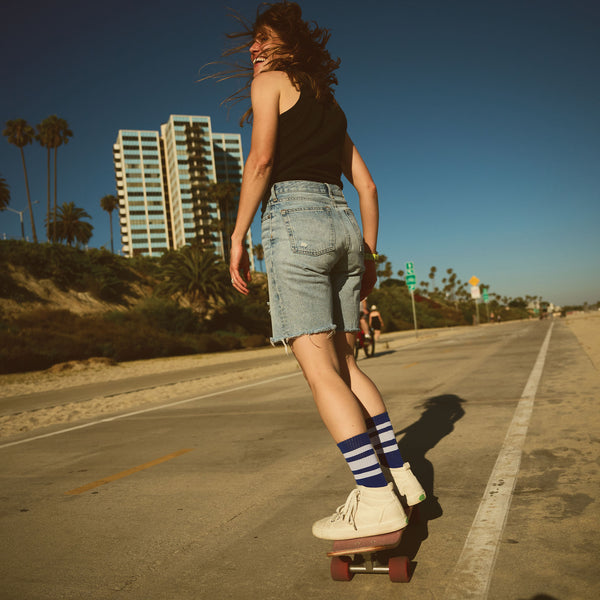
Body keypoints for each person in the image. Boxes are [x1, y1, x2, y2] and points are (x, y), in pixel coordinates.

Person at [227, 1, 425, 541]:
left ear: (284, 45)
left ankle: (375, 496)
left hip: (295, 221)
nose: (253, 49)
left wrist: (238, 234)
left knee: (319, 372)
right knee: (344, 364)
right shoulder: (328, 102)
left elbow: (262, 161)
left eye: (261, 39)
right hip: (343, 227)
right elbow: (368, 187)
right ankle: (401, 477)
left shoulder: (270, 82)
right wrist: (369, 260)